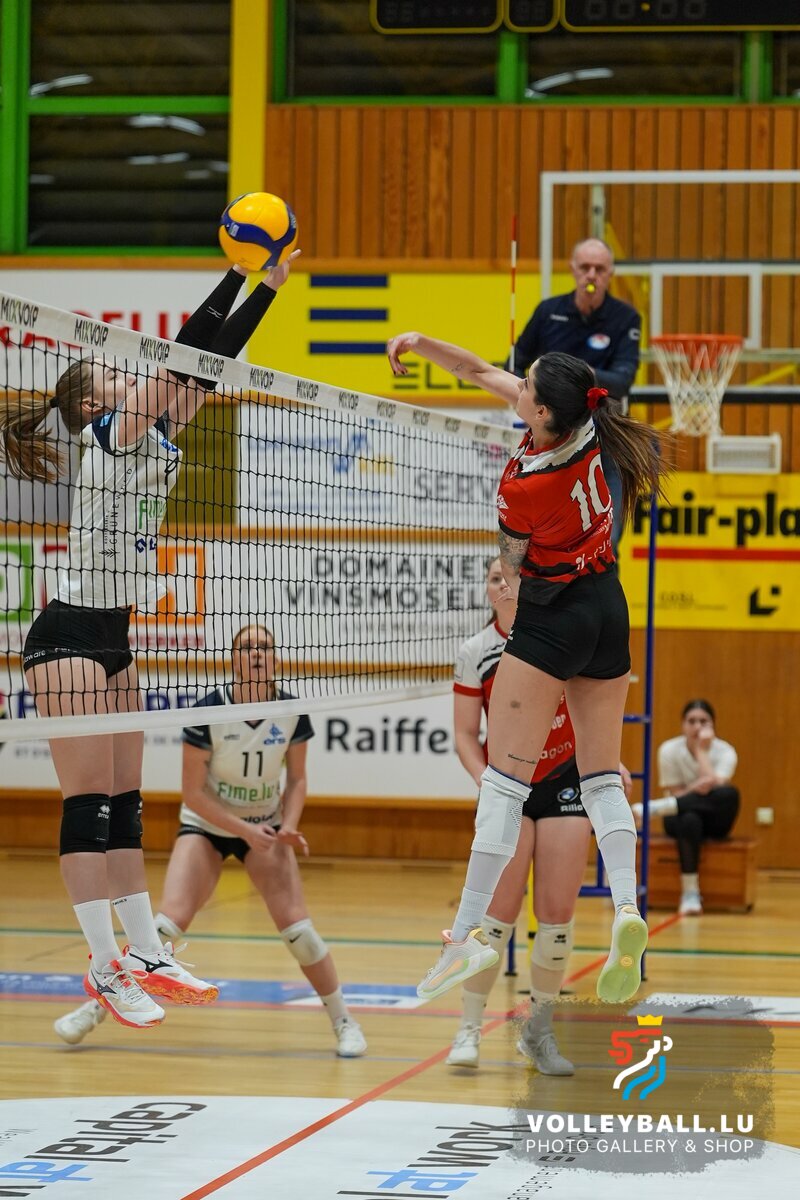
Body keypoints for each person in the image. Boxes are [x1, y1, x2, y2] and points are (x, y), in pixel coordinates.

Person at [0, 251, 299, 1030]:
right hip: (66, 635)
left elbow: (206, 365)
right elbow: (180, 356)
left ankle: (146, 953)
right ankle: (104, 966)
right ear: (94, 402)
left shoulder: (158, 431)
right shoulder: (113, 432)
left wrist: (264, 289)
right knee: (87, 804)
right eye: (111, 372)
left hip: (114, 638)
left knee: (126, 804)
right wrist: (232, 275)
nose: (125, 372)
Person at [387, 332, 669, 1007]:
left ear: (541, 413)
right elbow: (479, 368)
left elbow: (511, 565)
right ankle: (626, 908)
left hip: (553, 618)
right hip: (608, 607)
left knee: (503, 786)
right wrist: (421, 343)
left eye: (527, 386)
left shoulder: (524, 483)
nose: (516, 384)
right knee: (601, 777)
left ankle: (462, 938)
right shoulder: (590, 426)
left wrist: (514, 587)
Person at [54, 622, 368, 1057]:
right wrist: (245, 830)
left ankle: (344, 1021)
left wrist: (287, 825)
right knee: (161, 930)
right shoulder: (209, 710)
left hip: (265, 829)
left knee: (302, 934)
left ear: (276, 659)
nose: (256, 653)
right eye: (247, 647)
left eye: (264, 647)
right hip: (207, 827)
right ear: (233, 659)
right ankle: (96, 1006)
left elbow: (297, 779)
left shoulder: (291, 710)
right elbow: (193, 794)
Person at [447, 559, 632, 1072]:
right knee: (497, 917)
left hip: (566, 779)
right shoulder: (477, 652)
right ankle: (468, 1027)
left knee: (556, 918)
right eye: (493, 578)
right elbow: (464, 734)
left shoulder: (565, 636)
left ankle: (539, 1031)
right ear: (488, 590)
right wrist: (486, 782)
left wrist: (606, 764)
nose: (503, 583)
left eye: (510, 576)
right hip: (510, 783)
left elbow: (591, 704)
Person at [509, 238, 642, 555]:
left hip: (604, 443)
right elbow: (514, 364)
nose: (591, 275)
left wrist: (574, 375)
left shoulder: (626, 318)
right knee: (541, 539)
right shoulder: (549, 312)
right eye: (585, 267)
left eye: (599, 269)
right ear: (573, 270)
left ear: (610, 273)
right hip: (551, 442)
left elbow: (622, 382)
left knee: (605, 540)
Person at [633, 699, 739, 916]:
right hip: (679, 819)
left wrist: (701, 751)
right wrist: (693, 788)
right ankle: (690, 893)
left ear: (713, 725)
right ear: (683, 724)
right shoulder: (669, 750)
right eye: (691, 721)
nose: (697, 727)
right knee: (690, 818)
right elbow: (677, 791)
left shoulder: (726, 751)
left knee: (729, 794)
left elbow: (715, 790)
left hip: (715, 820)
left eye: (703, 721)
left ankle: (654, 808)